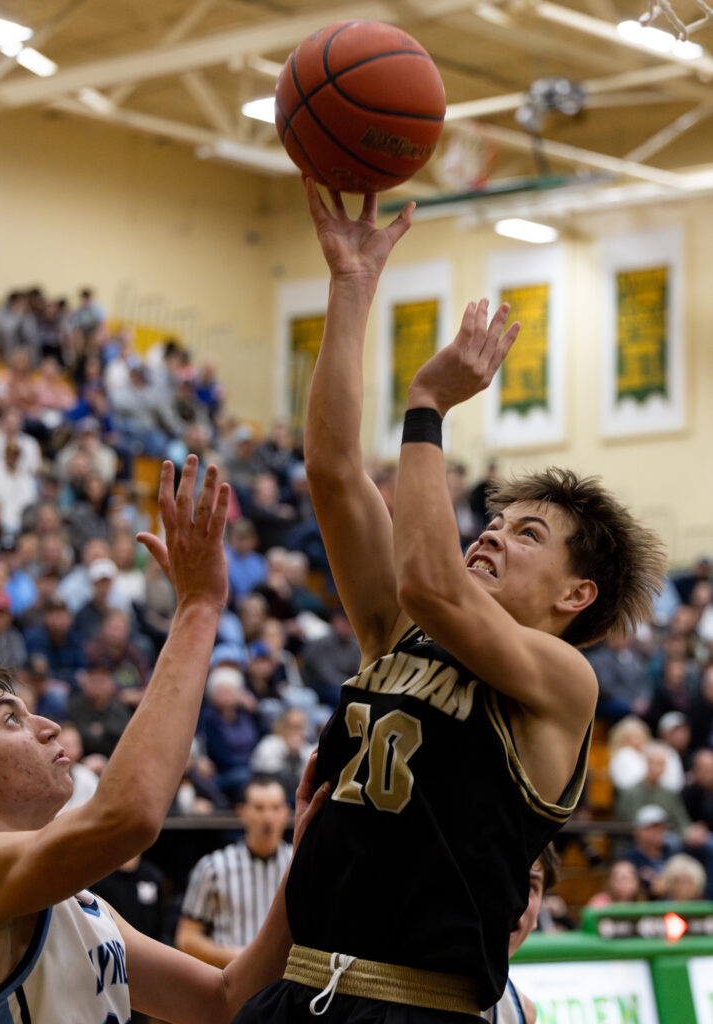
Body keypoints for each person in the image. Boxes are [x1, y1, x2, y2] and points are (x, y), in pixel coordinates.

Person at [234, 181, 666, 1023]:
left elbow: (432, 583)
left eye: (529, 533)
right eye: (495, 520)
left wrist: (427, 406)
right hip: (298, 989)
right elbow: (329, 471)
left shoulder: (561, 683)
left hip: (418, 1007)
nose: (493, 535)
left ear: (578, 595)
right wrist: (351, 288)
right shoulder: (400, 629)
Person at [0, 456, 328, 1024]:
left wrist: (304, 861)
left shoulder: (84, 907)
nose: (47, 725)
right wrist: (197, 608)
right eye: (11, 719)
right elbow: (131, 815)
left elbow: (225, 1000)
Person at [176, 777, 294, 967]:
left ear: (286, 812)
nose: (268, 817)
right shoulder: (213, 867)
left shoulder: (299, 864)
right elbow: (186, 938)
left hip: (286, 984)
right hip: (232, 980)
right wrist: (241, 959)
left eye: (275, 808)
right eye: (259, 808)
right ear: (242, 812)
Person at [481, 846, 560, 1024]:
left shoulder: (524, 1013)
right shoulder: (412, 992)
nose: (516, 902)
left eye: (531, 887)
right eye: (501, 879)